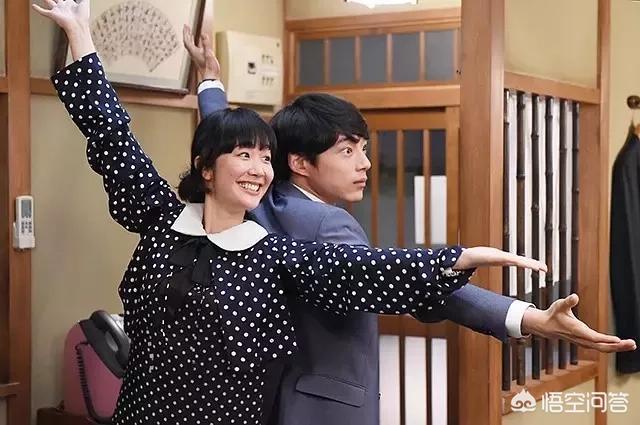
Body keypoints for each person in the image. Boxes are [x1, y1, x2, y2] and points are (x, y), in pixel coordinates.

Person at [34, 1, 550, 424]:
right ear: (206, 168)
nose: (259, 168)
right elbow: (112, 136)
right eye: (245, 155)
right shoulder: (160, 218)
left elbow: (364, 269)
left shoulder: (274, 255)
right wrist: (80, 35)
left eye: (266, 157)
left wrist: (458, 258)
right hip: (141, 413)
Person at [187, 25, 638, 425]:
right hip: (331, 408)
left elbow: (224, 142)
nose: (365, 164)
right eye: (347, 151)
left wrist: (210, 83)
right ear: (300, 163)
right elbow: (402, 282)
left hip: (271, 400)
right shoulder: (330, 225)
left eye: (364, 149)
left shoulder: (262, 201)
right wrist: (530, 317)